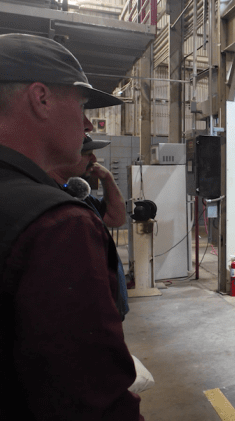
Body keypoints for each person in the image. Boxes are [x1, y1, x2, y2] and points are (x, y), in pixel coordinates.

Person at [0, 33, 143, 420]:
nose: (86, 122)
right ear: (41, 98)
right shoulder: (57, 225)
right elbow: (91, 398)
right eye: (81, 105)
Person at [48, 134, 130, 319]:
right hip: (91, 312)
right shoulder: (52, 201)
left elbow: (116, 218)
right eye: (87, 153)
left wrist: (108, 179)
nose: (94, 159)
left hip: (108, 304)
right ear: (65, 156)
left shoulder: (78, 194)